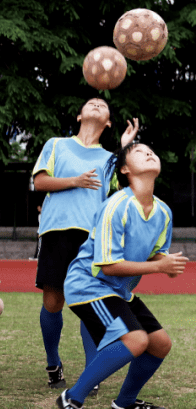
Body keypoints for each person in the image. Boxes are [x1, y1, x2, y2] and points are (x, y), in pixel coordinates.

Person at [56, 142, 187, 409]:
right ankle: (72, 398)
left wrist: (166, 261)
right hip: (89, 285)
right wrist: (158, 267)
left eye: (152, 150)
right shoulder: (116, 206)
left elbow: (154, 252)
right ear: (125, 169)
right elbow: (108, 265)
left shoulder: (162, 211)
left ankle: (125, 403)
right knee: (136, 340)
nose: (150, 152)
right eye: (140, 151)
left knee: (160, 344)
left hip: (118, 290)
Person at [33, 98, 138, 390]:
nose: (95, 105)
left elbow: (121, 195)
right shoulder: (56, 144)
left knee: (89, 301)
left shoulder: (109, 158)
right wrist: (75, 181)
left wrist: (124, 149)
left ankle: (91, 372)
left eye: (102, 105)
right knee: (53, 302)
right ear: (79, 116)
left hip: (93, 237)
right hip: (57, 230)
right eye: (90, 103)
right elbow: (40, 183)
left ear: (108, 123)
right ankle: (53, 362)